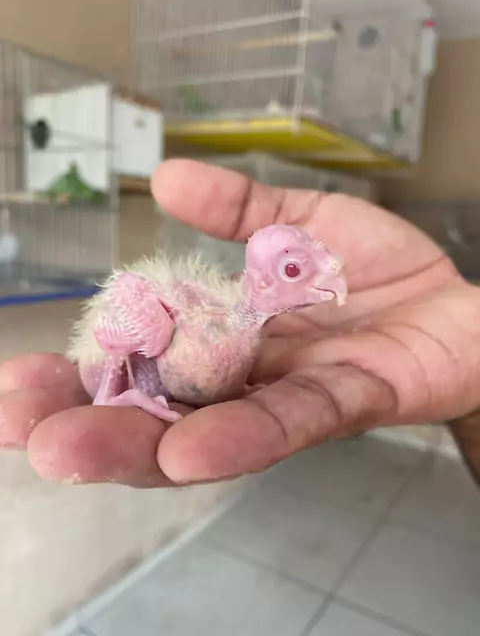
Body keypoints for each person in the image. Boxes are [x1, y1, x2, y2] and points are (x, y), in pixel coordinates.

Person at [0, 159, 479, 488]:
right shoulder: (176, 325)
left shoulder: (240, 338)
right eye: (294, 270)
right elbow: (114, 331)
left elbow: (215, 370)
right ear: (264, 278)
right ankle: (113, 396)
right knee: (152, 337)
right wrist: (117, 391)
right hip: (112, 369)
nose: (329, 281)